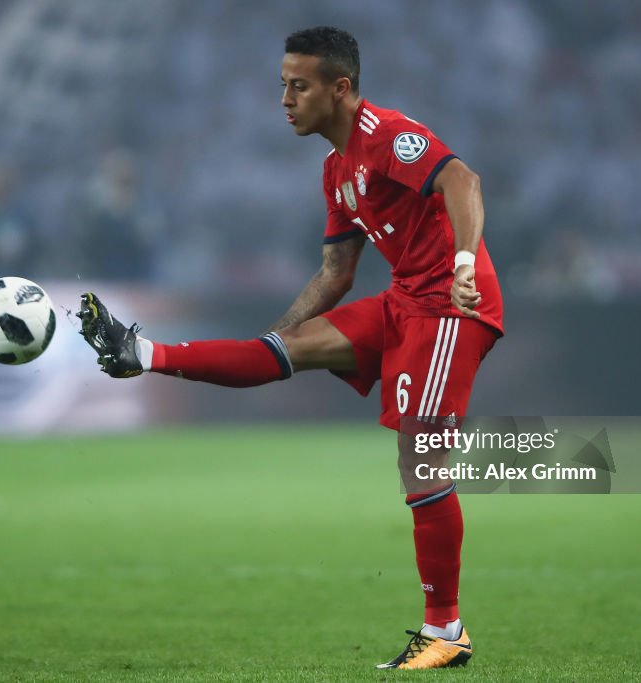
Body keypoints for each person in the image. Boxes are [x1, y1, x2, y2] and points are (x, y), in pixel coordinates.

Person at [77, 26, 503, 670]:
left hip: (450, 303)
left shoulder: (387, 135)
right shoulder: (337, 171)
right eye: (283, 85)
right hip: (404, 301)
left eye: (299, 86)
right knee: (286, 350)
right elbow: (336, 274)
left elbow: (463, 181)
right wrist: (277, 335)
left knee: (421, 463)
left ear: (342, 87)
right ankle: (144, 355)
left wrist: (466, 261)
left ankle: (446, 631)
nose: (286, 98)